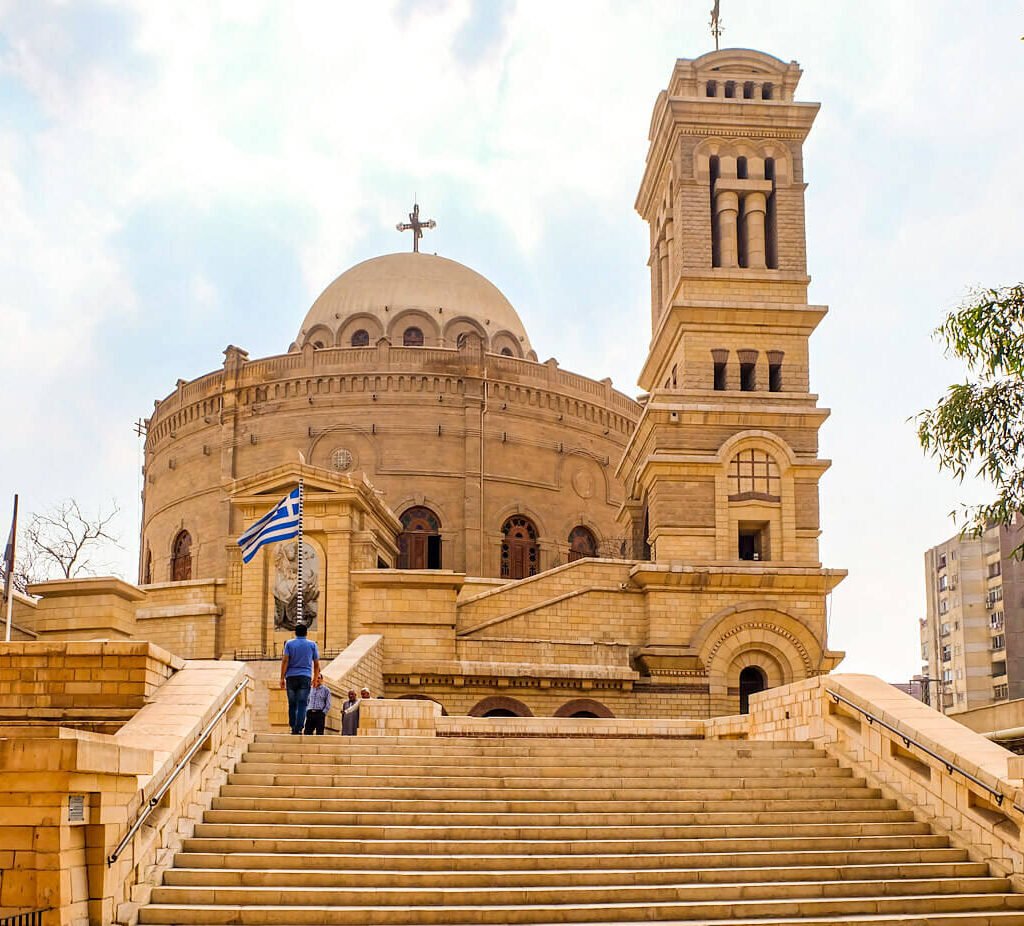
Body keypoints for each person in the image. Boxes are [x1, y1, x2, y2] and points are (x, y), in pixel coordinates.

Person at [280, 623, 319, 735]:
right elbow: (316, 664)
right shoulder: (312, 645)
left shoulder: (289, 644)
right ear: (306, 633)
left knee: (292, 703)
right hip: (305, 676)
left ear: (295, 633)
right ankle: (299, 728)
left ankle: (293, 726)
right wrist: (315, 678)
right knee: (302, 703)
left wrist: (282, 678)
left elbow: (285, 661)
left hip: (291, 677)